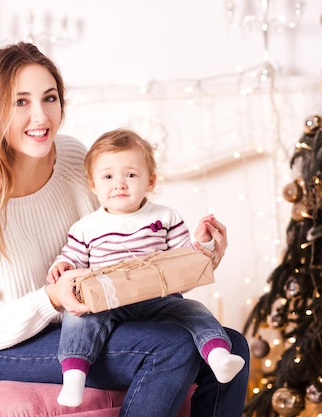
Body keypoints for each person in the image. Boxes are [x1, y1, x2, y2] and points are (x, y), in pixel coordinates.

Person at [0, 42, 250, 417]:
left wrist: (197, 258)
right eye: (21, 102)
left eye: (49, 98)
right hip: (9, 346)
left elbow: (124, 251)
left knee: (233, 346)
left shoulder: (71, 157)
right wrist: (50, 297)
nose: (40, 116)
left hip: (91, 318)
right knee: (173, 345)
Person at [47, 128, 245, 408]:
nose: (119, 184)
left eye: (130, 175)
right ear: (93, 185)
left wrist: (202, 243)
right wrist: (62, 265)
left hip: (159, 299)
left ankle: (218, 356)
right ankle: (74, 376)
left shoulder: (165, 217)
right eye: (107, 177)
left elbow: (183, 259)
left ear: (150, 181)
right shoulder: (86, 227)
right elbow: (73, 257)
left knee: (194, 310)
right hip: (108, 302)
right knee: (78, 318)